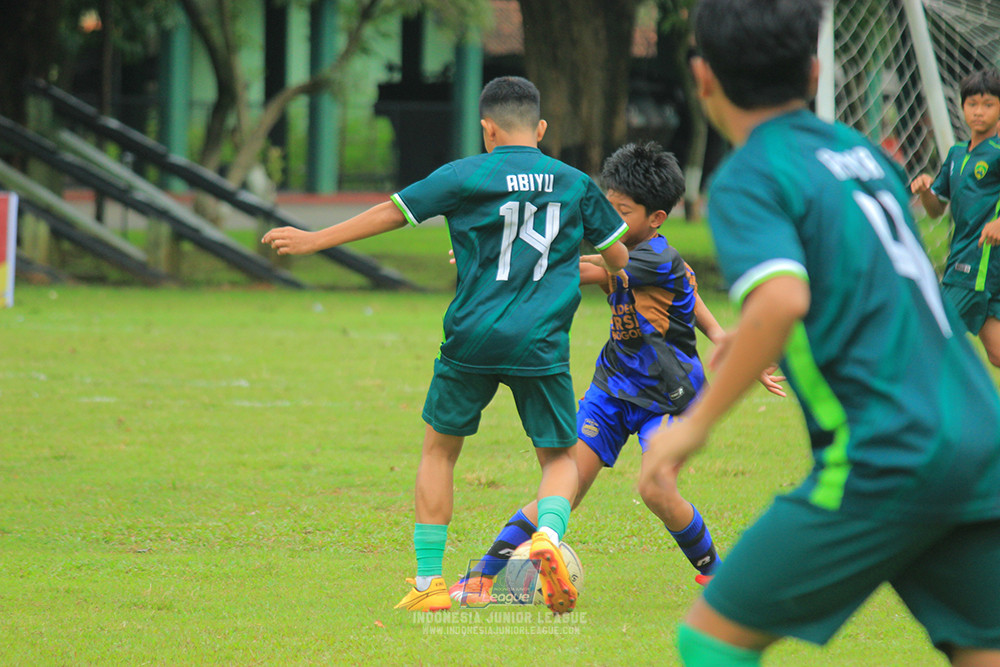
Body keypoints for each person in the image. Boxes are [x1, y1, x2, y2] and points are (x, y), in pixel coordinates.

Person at [641, 0, 1000, 665]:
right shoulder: (859, 151)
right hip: (979, 433)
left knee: (708, 637)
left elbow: (781, 299)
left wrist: (692, 426)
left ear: (703, 76)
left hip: (888, 451)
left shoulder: (750, 174)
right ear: (813, 70)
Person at [263, 76, 629, 614]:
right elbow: (620, 260)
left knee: (440, 450)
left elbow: (392, 212)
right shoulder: (575, 183)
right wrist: (610, 291)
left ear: (487, 129)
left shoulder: (464, 175)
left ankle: (429, 584)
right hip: (542, 342)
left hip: (472, 337)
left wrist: (314, 239)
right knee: (557, 458)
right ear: (541, 129)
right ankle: (547, 537)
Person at [449, 142, 786, 606]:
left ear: (656, 220)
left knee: (655, 487)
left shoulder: (650, 258)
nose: (609, 220)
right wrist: (719, 333)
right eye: (607, 207)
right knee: (565, 483)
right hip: (612, 388)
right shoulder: (656, 257)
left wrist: (494, 262)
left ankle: (717, 574)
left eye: (622, 212)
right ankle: (483, 577)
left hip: (669, 398)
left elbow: (579, 270)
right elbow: (688, 279)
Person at [911, 67, 1000, 369]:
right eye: (972, 104)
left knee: (928, 340)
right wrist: (925, 191)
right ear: (962, 106)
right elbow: (937, 209)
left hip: (976, 266)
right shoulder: (956, 154)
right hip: (970, 264)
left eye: (988, 104)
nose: (979, 111)